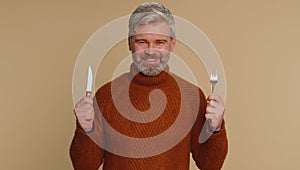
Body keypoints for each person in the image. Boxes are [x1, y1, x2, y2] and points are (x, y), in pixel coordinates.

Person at [70, 2, 228, 170]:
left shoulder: (191, 96)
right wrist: (86, 129)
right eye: (142, 42)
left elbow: (210, 165)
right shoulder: (105, 96)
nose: (151, 51)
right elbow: (84, 166)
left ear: (172, 44)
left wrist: (215, 129)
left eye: (160, 42)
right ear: (130, 43)